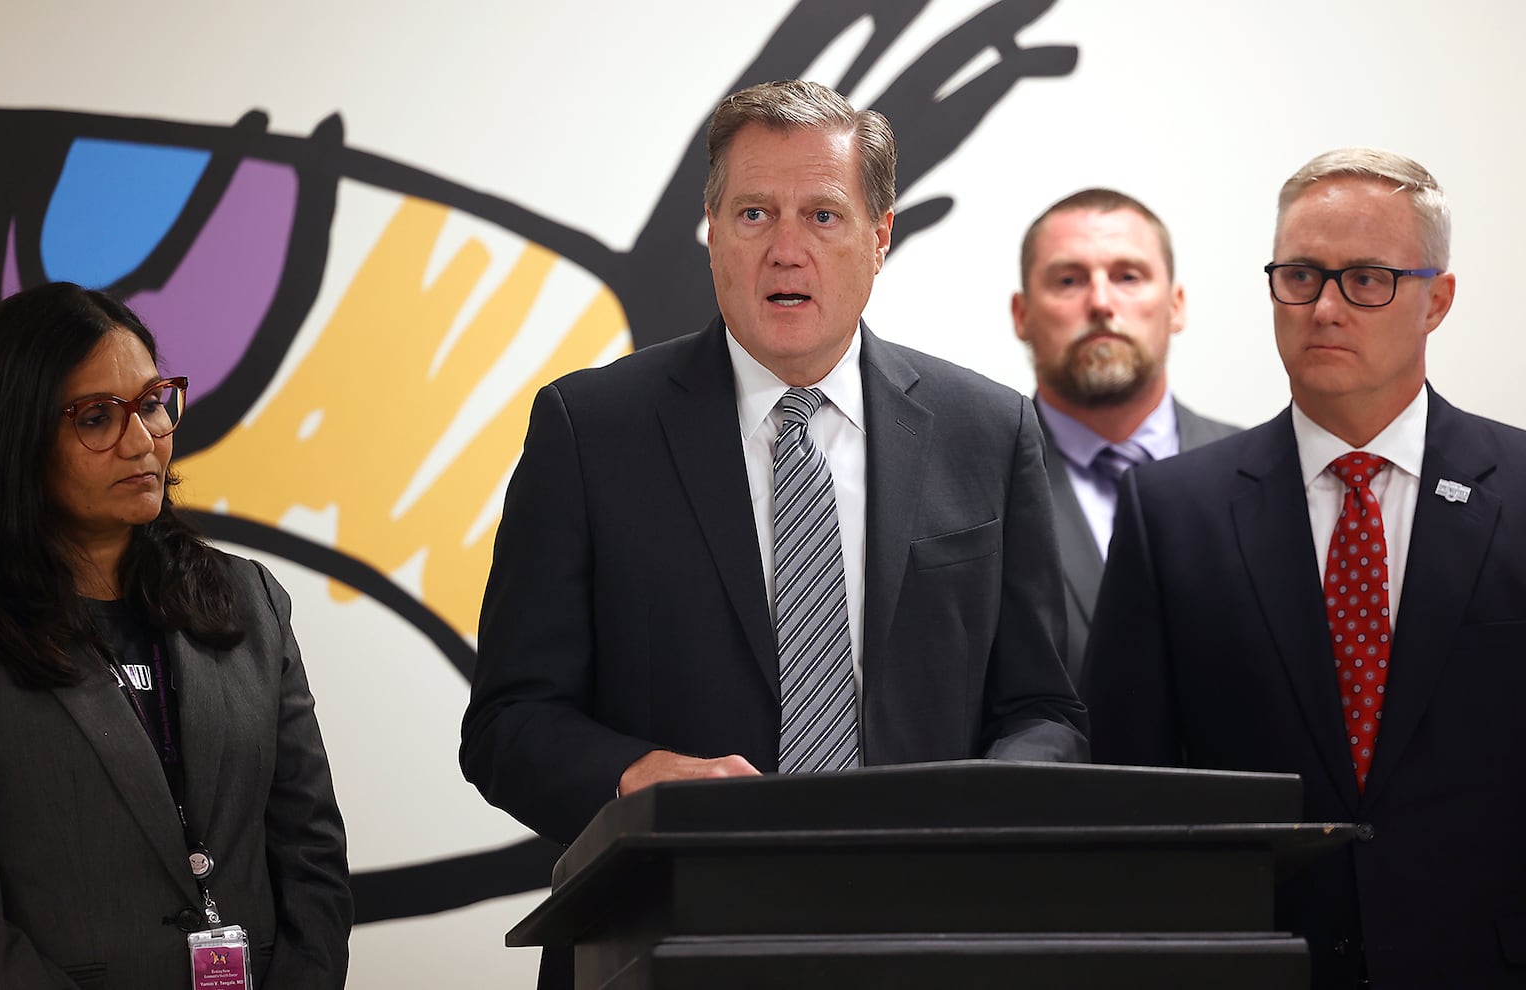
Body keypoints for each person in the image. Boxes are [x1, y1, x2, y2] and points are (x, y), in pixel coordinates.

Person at [462, 78, 1085, 841]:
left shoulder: (988, 431)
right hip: (672, 919)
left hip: (929, 921)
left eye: (823, 216)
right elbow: (507, 722)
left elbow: (1045, 710)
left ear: (880, 236)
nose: (786, 252)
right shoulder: (589, 432)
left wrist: (983, 802)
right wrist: (634, 776)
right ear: (714, 231)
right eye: (755, 214)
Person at [1083, 149, 1526, 987]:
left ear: (1438, 300)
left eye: (1366, 279)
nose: (1324, 307)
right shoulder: (1172, 514)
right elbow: (1129, 799)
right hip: (1255, 965)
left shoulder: (1520, 492)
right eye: (1299, 275)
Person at [0, 283, 353, 988]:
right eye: (97, 416)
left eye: (153, 402)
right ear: (12, 435)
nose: (143, 437)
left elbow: (312, 859)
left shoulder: (249, 601)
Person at [1011, 188, 1237, 682]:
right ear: (1021, 314)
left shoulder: (1265, 476)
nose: (1100, 302)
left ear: (1176, 305)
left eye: (1128, 277)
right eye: (1068, 280)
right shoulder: (973, 485)